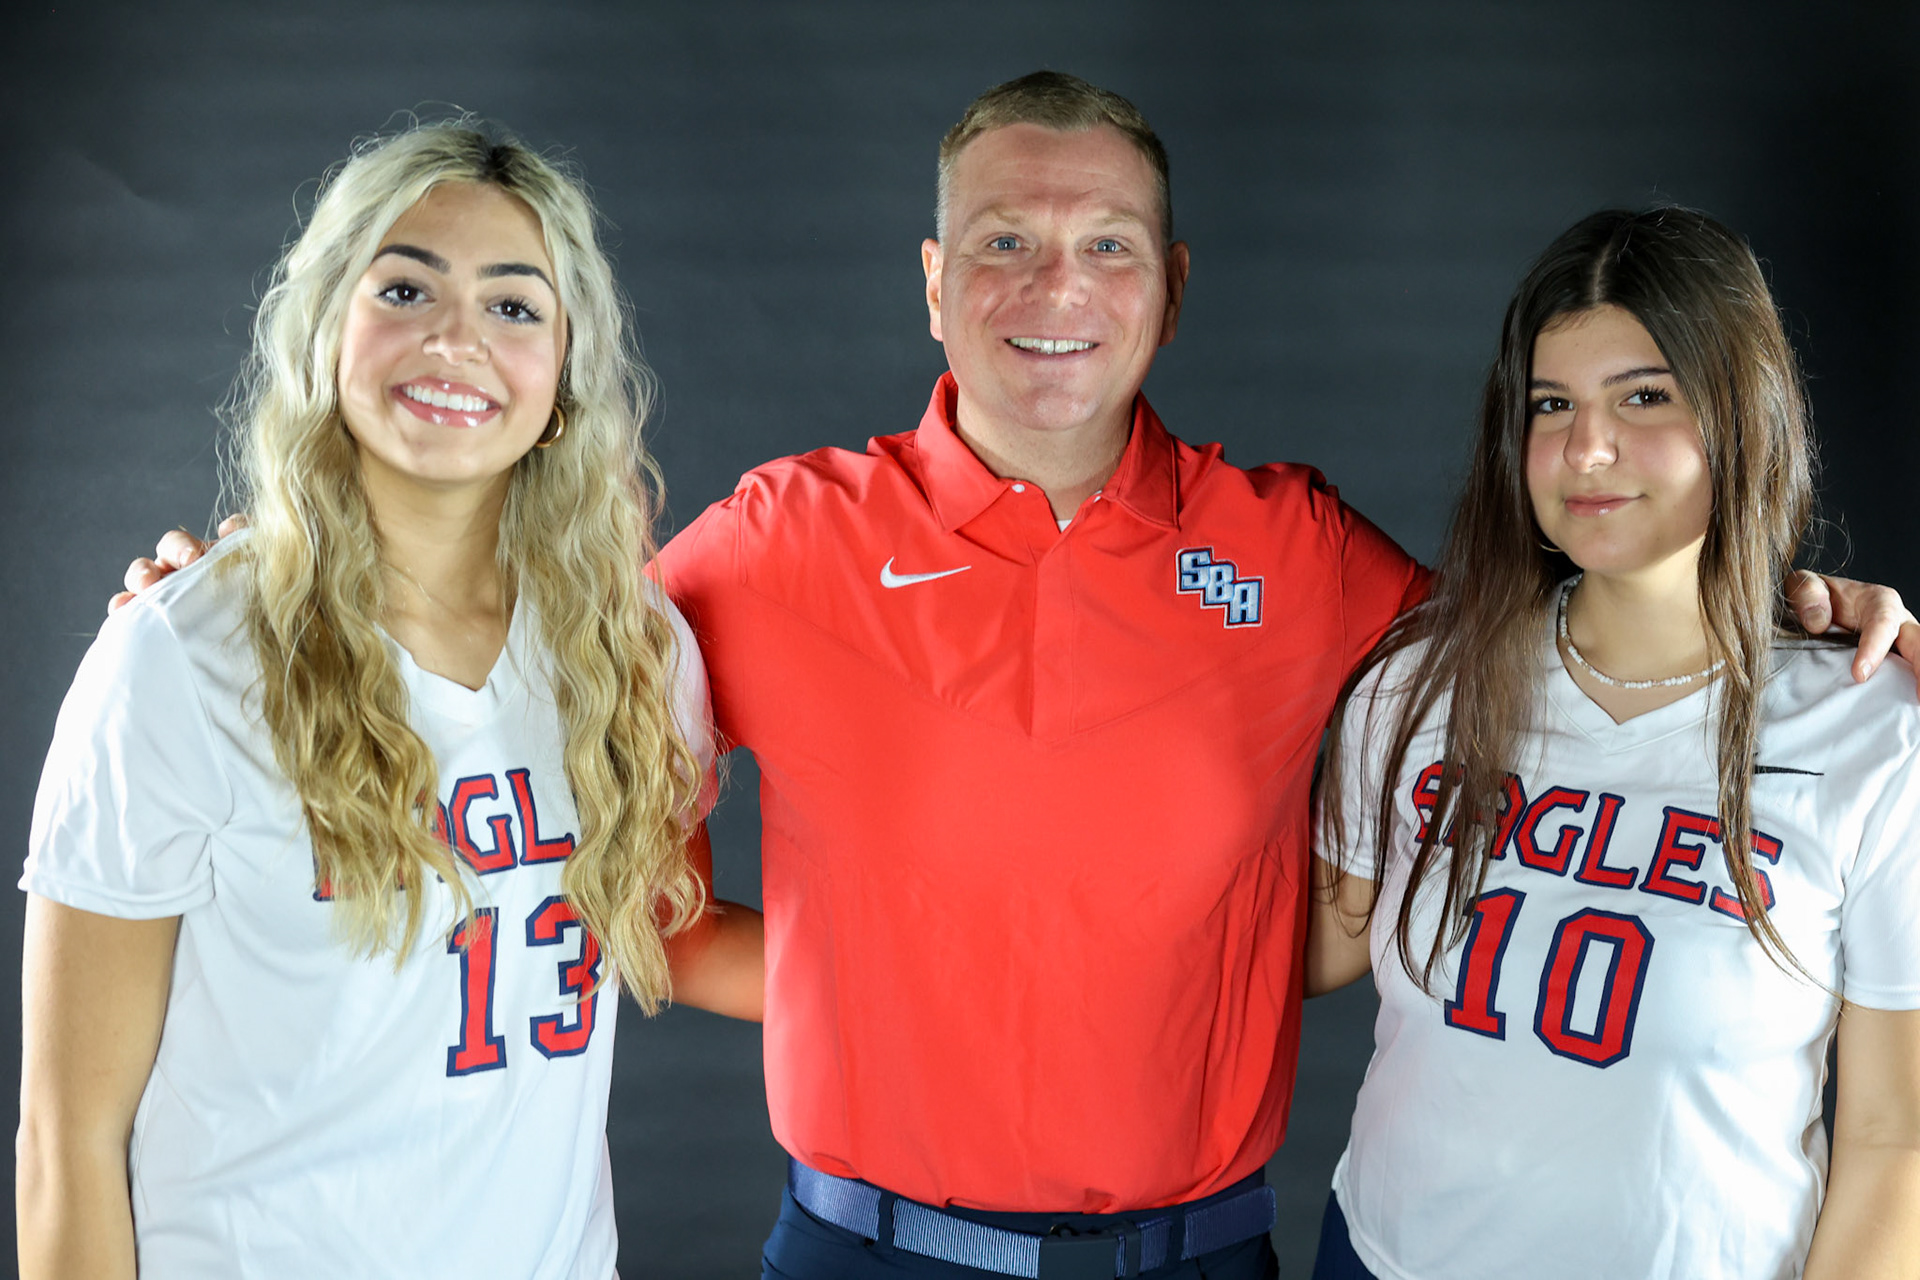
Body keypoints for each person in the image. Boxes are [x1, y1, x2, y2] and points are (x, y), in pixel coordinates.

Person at [107, 76, 1920, 1279]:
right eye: (1004, 240)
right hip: (862, 1249)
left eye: (1106, 244)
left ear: (1172, 288)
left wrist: (1784, 601)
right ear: (932, 281)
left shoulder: (1292, 548)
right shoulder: (777, 539)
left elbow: (1574, 618)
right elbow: (508, 653)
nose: (1053, 284)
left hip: (1200, 1256)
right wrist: (250, 588)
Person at [18, 123, 762, 1280]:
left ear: (562, 378)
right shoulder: (181, 660)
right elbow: (68, 1143)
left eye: (515, 307)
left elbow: (680, 935)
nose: (457, 338)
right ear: (328, 330)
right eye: (406, 287)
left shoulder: (634, 652)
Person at [1307, 207, 1920, 1280]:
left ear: (1742, 411)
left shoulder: (1873, 728)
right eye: (1554, 404)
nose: (1587, 449)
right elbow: (1297, 945)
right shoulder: (1418, 683)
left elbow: (1895, 1138)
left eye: (1644, 396)